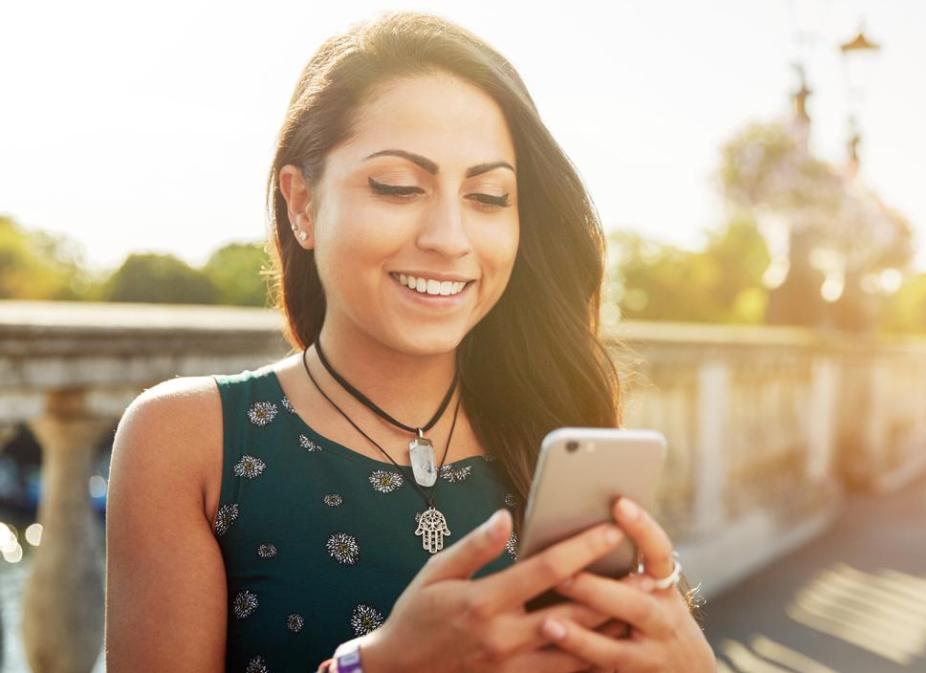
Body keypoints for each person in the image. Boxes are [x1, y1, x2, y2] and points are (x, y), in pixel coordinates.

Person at [104, 11, 716, 673]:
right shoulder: (190, 440)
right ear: (302, 205)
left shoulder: (554, 430)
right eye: (398, 186)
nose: (450, 237)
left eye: (488, 195)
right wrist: (372, 667)